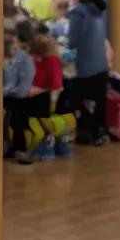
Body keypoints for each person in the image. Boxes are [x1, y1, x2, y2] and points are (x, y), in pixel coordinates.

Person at [66, 0, 110, 145]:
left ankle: (84, 133)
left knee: (74, 97)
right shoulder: (97, 10)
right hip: (101, 66)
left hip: (85, 68)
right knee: (99, 103)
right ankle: (99, 133)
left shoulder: (77, 12)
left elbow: (72, 41)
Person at [28, 28, 67, 158]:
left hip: (52, 96)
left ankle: (46, 149)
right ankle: (54, 147)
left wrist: (39, 90)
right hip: (44, 94)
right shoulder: (41, 60)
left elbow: (55, 84)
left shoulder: (51, 61)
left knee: (45, 121)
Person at [3, 26, 35, 157]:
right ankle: (9, 146)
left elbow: (25, 81)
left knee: (17, 121)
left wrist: (9, 92)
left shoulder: (23, 57)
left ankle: (19, 148)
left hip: (18, 96)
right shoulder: (6, 55)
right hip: (8, 94)